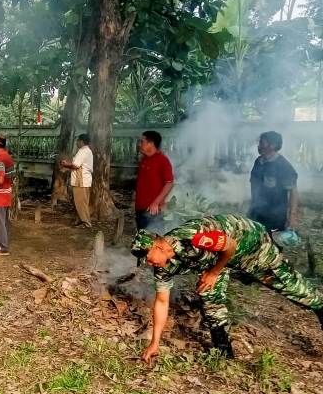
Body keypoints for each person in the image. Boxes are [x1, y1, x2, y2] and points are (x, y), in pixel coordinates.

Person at [130, 214, 323, 362]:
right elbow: (162, 301)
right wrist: (155, 343)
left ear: (160, 247)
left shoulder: (195, 237)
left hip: (252, 244)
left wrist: (213, 273)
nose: (149, 263)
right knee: (209, 295)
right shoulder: (163, 267)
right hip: (216, 260)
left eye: (148, 258)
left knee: (291, 287)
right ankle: (223, 351)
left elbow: (230, 245)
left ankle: (320, 306)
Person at [249, 131, 299, 231]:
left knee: (271, 243)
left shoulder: (283, 166)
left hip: (275, 216)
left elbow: (293, 192)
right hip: (256, 213)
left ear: (272, 145)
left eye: (262, 143)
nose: (259, 146)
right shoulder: (258, 161)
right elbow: (253, 184)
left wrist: (292, 217)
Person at [135, 130, 174, 231]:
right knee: (142, 237)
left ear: (151, 143)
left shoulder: (163, 161)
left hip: (153, 209)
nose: (139, 144)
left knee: (154, 240)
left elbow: (169, 183)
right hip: (140, 207)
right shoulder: (144, 160)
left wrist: (156, 202)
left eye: (142, 142)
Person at [60, 133, 93, 228]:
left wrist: (65, 164)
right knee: (81, 202)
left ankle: (86, 223)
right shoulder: (85, 151)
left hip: (81, 181)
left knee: (81, 202)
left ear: (81, 141)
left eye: (77, 141)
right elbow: (76, 164)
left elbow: (75, 165)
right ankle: (80, 220)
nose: (76, 143)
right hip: (83, 180)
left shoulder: (83, 151)